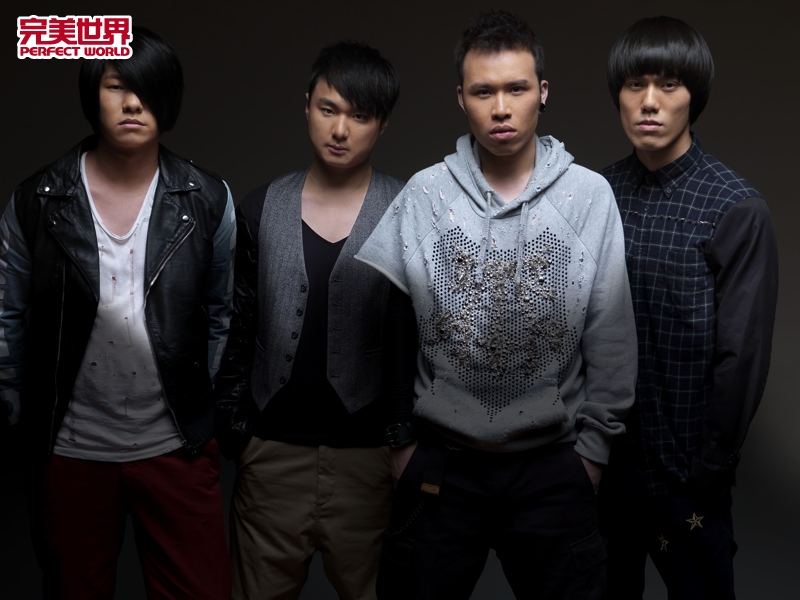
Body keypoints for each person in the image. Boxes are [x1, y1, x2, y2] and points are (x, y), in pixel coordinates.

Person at [354, 10, 636, 599]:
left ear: (543, 92)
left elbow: (610, 334)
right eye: (483, 92)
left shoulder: (589, 195)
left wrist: (592, 455)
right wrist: (401, 442)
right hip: (443, 463)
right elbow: (392, 324)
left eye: (517, 89)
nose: (501, 108)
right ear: (461, 99)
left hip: (553, 464)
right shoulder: (426, 193)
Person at [0, 27, 235, 599]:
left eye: (147, 89)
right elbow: (6, 317)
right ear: (93, 94)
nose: (132, 102)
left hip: (176, 451)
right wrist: (20, 420)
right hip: (69, 453)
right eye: (116, 87)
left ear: (168, 98)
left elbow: (224, 313)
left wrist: (199, 412)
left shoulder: (207, 199)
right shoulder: (37, 201)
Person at [214, 41, 403, 600]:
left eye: (359, 116)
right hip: (272, 457)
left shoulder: (409, 210)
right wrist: (239, 434)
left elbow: (422, 339)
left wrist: (402, 445)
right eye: (328, 109)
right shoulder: (259, 207)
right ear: (306, 107)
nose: (340, 130)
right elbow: (236, 327)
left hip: (370, 460)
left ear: (382, 124)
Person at [598, 16, 779, 599]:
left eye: (668, 84)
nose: (649, 102)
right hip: (602, 465)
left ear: (693, 96)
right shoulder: (595, 194)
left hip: (687, 477)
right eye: (635, 84)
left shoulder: (735, 207)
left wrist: (709, 467)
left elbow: (742, 356)